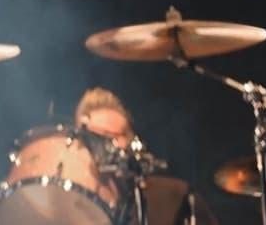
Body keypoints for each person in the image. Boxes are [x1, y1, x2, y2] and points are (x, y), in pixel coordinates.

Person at [74, 88, 217, 225]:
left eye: (113, 137)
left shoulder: (173, 198)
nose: (107, 147)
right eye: (97, 138)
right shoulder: (65, 202)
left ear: (131, 140)